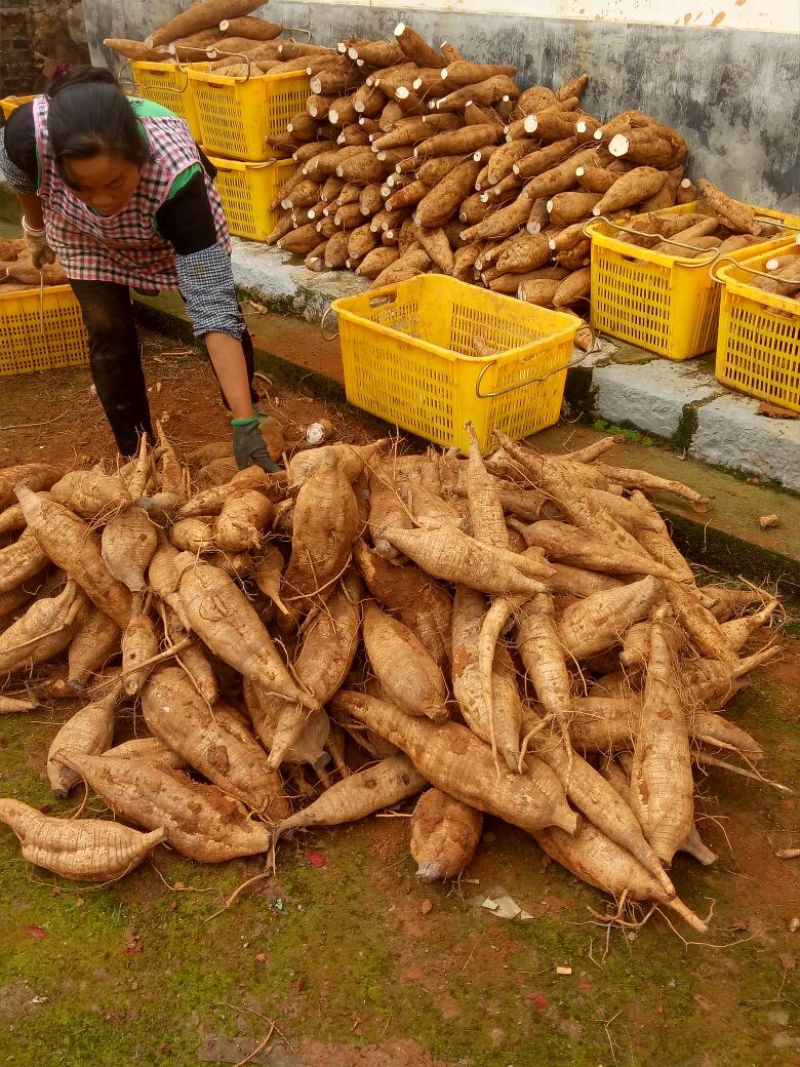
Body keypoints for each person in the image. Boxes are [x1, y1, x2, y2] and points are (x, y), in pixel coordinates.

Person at [0, 65, 277, 471]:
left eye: (114, 183)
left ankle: (245, 409)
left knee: (221, 314)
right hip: (82, 237)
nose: (102, 200)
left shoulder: (177, 182)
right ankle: (137, 454)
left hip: (160, 230)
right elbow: (21, 177)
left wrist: (244, 422)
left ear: (138, 158)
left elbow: (211, 307)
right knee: (107, 330)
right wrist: (35, 230)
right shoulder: (27, 136)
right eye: (83, 186)